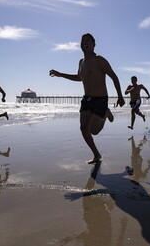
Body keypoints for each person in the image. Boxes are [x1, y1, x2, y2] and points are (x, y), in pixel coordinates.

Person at [49, 33, 125, 164]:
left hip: (100, 99)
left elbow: (114, 76)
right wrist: (61, 74)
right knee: (84, 128)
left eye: (88, 41)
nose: (85, 43)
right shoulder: (81, 62)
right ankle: (96, 155)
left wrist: (120, 96)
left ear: (94, 44)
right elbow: (79, 78)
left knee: (94, 131)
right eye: (82, 41)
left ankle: (106, 113)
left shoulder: (99, 60)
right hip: (87, 98)